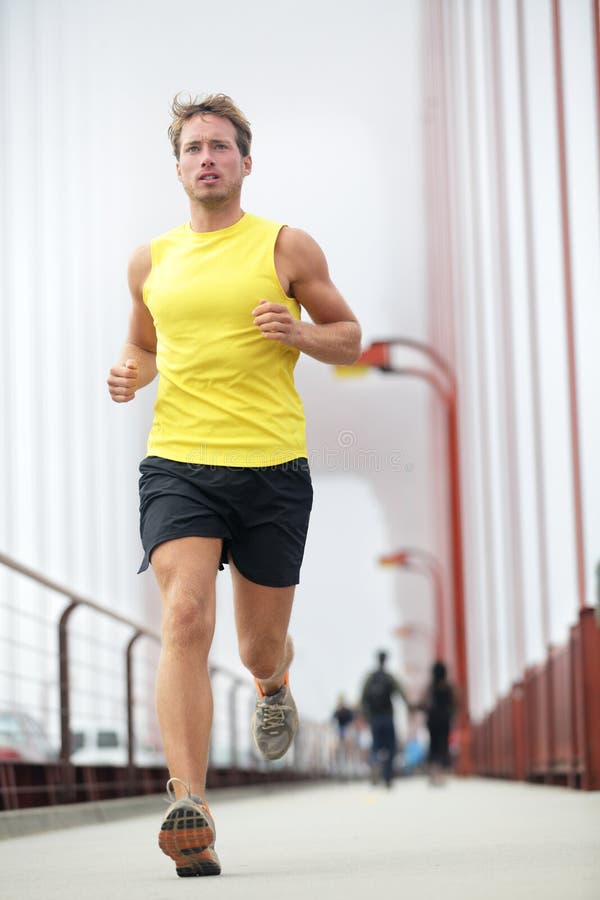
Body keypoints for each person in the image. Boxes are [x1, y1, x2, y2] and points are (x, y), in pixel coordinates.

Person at [106, 92, 361, 877]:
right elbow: (143, 344)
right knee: (184, 617)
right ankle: (191, 806)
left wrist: (300, 333)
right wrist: (129, 372)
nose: (206, 158)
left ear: (245, 162)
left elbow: (350, 337)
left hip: (272, 467)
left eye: (220, 146)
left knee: (254, 643)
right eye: (193, 148)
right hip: (179, 460)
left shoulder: (287, 248)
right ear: (178, 166)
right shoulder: (151, 261)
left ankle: (273, 680)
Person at [360, 650, 411, 787]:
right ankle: (388, 778)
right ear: (385, 661)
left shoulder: (370, 678)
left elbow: (363, 699)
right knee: (390, 747)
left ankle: (375, 768)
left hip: (375, 719)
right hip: (388, 718)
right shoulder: (389, 678)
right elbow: (401, 693)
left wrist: (365, 716)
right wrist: (410, 707)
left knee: (376, 746)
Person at [418, 660, 456, 785]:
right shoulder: (448, 687)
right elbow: (455, 704)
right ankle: (442, 776)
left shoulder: (430, 687)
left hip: (432, 721)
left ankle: (433, 774)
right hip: (445, 720)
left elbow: (422, 704)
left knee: (433, 747)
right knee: (443, 747)